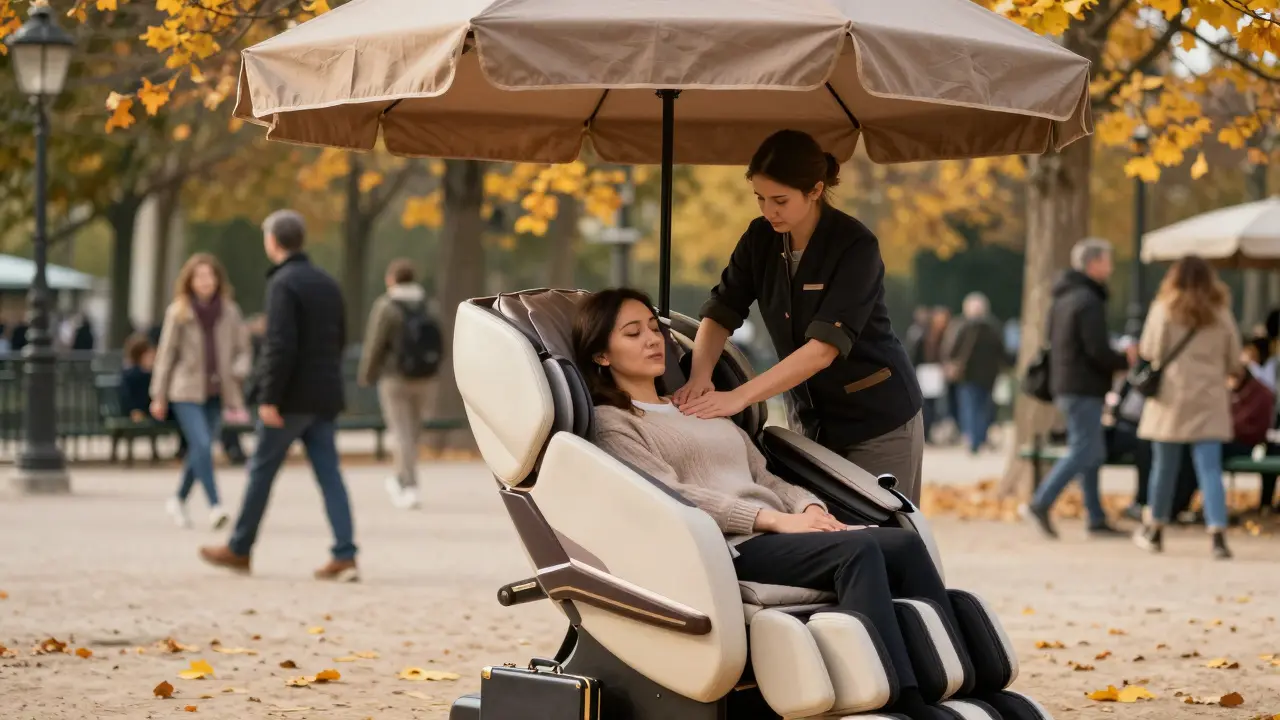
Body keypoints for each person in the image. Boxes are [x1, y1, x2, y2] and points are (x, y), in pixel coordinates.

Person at [575, 288, 971, 720]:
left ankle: (954, 681)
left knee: (902, 544)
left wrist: (808, 510)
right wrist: (771, 521)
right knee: (857, 553)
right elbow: (670, 494)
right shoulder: (614, 424)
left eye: (654, 328)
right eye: (633, 333)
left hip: (776, 528)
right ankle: (896, 699)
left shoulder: (698, 405)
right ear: (602, 355)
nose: (652, 340)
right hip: (724, 546)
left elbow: (764, 475)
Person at [674, 129, 925, 504]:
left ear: (815, 190)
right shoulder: (760, 238)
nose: (768, 211)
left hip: (878, 420)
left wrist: (738, 398)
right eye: (759, 198)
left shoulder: (855, 246)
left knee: (885, 537)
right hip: (810, 420)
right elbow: (721, 310)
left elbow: (823, 350)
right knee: (824, 535)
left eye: (780, 200)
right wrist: (699, 377)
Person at [199, 209, 359, 582]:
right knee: (330, 475)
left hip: (289, 400)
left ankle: (239, 548)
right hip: (324, 396)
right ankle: (345, 553)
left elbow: (280, 344)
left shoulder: (283, 284)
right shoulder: (327, 283)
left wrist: (269, 397)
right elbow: (340, 339)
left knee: (261, 472)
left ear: (273, 241)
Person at [1021, 238, 1134, 539]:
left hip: (1067, 384)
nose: (1110, 267)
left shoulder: (1063, 297)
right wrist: (1125, 359)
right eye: (1107, 261)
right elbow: (1096, 349)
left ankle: (1095, 517)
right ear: (1093, 263)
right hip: (1083, 385)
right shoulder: (1088, 300)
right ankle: (1040, 502)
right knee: (1085, 449)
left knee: (1090, 452)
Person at [1132, 256, 1241, 560]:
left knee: (1164, 468)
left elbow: (1150, 350)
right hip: (1209, 398)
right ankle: (1217, 534)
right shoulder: (1220, 312)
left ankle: (1155, 528)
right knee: (1209, 469)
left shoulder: (1163, 308)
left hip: (1172, 398)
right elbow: (1234, 359)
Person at [150, 253, 252, 530]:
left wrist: (238, 370)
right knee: (203, 444)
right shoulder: (179, 312)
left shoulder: (230, 312)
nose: (205, 281)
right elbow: (166, 355)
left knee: (201, 448)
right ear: (190, 281)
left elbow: (243, 350)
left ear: (218, 279)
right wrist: (158, 394)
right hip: (185, 390)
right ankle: (215, 505)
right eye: (199, 276)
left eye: (210, 276)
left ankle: (178, 499)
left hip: (218, 390)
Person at [357, 258, 442, 510]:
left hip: (395, 378)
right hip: (426, 378)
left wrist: (367, 374)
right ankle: (405, 479)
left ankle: (408, 484)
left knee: (401, 433)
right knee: (413, 432)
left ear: (391, 280)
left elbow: (376, 343)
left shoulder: (386, 306)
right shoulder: (429, 305)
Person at [944, 293, 1007, 455]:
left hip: (967, 374)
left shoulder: (962, 326)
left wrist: (950, 362)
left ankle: (973, 440)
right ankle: (980, 437)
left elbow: (951, 348)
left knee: (969, 407)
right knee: (983, 408)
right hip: (989, 375)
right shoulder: (994, 327)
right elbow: (1002, 351)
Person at [120, 333, 156, 420]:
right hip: (139, 412)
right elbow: (127, 396)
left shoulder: (152, 373)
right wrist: (134, 410)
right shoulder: (132, 375)